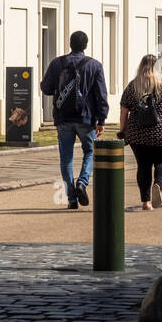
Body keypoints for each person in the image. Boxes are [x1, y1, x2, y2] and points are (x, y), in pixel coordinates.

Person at [41, 30, 108, 209]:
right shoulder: (94, 65)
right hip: (85, 118)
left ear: (70, 44)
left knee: (66, 158)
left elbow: (46, 88)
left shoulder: (57, 63)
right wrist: (101, 119)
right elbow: (101, 94)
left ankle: (71, 198)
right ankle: (82, 183)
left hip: (63, 118)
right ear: (85, 45)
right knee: (90, 151)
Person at [118, 54, 162, 210]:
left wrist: (123, 131)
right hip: (160, 132)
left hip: (137, 133)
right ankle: (158, 185)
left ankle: (146, 202)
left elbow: (124, 111)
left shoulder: (133, 85)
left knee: (143, 166)